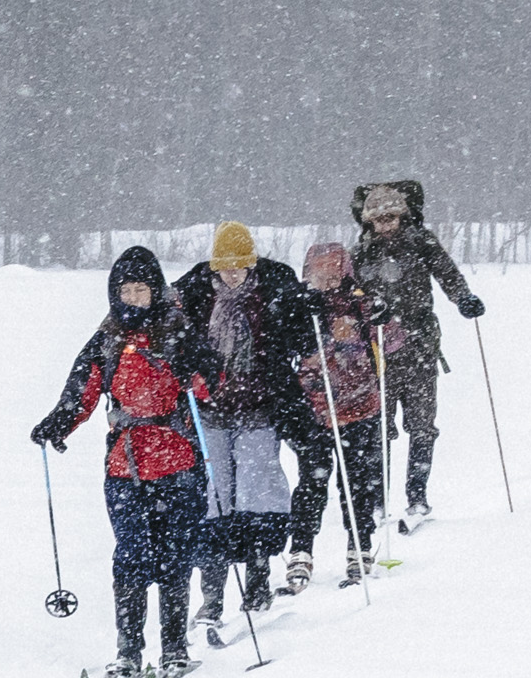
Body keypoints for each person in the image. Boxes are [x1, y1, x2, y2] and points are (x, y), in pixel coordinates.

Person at [31, 246, 208, 678]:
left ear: (155, 291)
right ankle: (128, 651)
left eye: (141, 290)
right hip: (125, 467)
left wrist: (196, 370)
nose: (133, 298)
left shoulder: (179, 331)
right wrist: (56, 424)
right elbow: (81, 393)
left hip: (176, 461)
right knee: (130, 556)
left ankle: (173, 650)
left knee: (172, 556)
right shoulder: (107, 338)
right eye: (125, 291)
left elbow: (208, 387)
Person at [172, 223, 316, 641]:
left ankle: (256, 582)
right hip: (210, 409)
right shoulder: (196, 292)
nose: (233, 274)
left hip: (259, 406)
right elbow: (172, 334)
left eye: (240, 266)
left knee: (257, 491)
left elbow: (298, 338)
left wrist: (306, 316)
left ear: (251, 263)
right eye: (226, 267)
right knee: (214, 496)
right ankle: (212, 596)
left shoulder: (272, 290)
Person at [345, 174, 488, 523]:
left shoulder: (421, 242)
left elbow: (447, 274)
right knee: (378, 426)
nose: (385, 224)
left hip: (420, 345)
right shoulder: (360, 253)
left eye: (390, 217)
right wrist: (367, 308)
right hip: (376, 351)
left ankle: (417, 495)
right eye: (378, 219)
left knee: (422, 425)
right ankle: (377, 500)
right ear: (368, 220)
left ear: (402, 215)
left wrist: (463, 299)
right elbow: (349, 296)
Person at [301, 237, 393, 577]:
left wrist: (383, 318)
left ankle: (360, 545)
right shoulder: (304, 304)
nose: (326, 281)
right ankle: (302, 550)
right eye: (319, 274)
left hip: (360, 405)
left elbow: (393, 340)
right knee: (312, 481)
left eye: (333, 273)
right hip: (318, 408)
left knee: (356, 481)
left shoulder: (360, 303)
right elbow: (289, 343)